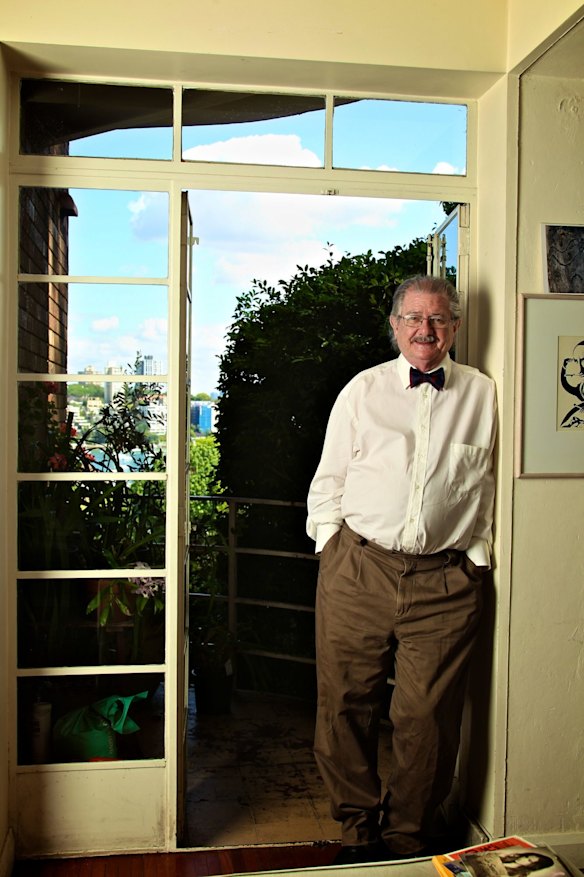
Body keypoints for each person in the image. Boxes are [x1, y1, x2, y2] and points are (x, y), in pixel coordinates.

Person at [306, 275, 497, 865]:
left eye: (438, 319)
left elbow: (490, 485)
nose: (425, 331)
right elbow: (329, 479)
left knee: (427, 720)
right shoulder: (361, 392)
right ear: (394, 326)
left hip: (446, 582)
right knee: (345, 704)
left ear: (455, 328)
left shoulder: (486, 396)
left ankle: (408, 842)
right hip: (358, 568)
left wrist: (476, 557)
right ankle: (357, 831)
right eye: (414, 318)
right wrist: (332, 546)